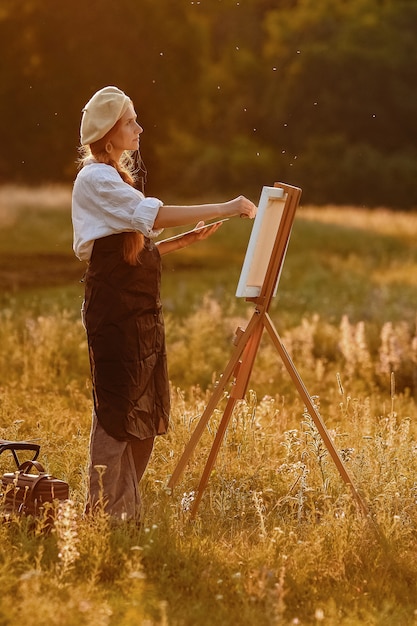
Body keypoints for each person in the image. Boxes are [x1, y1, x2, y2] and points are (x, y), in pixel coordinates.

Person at [72, 86, 257, 522]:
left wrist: (185, 240)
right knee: (117, 407)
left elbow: (131, 252)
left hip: (139, 308)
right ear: (108, 132)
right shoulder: (95, 178)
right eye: (130, 121)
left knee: (144, 406)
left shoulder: (115, 178)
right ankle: (103, 515)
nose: (139, 128)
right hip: (114, 309)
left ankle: (126, 512)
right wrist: (227, 206)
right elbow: (148, 220)